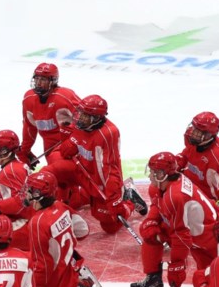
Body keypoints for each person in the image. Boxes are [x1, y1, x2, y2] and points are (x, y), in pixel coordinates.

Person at [26, 171, 143, 287]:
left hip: (57, 283)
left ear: (40, 195)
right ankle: (81, 280)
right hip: (69, 267)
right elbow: (83, 230)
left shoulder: (37, 223)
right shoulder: (60, 206)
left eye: (32, 191)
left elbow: (42, 266)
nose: (29, 194)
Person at [46, 94, 148, 233]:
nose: (80, 117)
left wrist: (114, 199)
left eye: (85, 115)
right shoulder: (82, 125)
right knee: (51, 167)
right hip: (80, 169)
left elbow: (110, 169)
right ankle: (62, 202)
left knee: (110, 227)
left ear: (96, 118)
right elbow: (67, 150)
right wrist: (66, 135)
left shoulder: (107, 134)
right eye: (80, 113)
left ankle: (129, 198)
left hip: (97, 179)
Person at [130, 151, 219, 287]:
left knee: (212, 285)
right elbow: (157, 203)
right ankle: (153, 278)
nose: (150, 175)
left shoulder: (175, 196)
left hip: (207, 238)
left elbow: (181, 235)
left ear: (162, 174)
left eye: (153, 172)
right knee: (150, 232)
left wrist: (177, 266)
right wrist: (151, 220)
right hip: (193, 230)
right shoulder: (162, 186)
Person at [19, 63, 79, 167]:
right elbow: (29, 126)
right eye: (36, 79)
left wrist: (73, 142)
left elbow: (85, 119)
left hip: (70, 143)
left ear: (53, 81)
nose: (38, 83)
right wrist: (25, 150)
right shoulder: (28, 99)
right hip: (49, 146)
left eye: (43, 80)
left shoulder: (65, 96)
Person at [179, 111, 219, 211]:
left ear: (209, 135)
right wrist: (174, 164)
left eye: (199, 131)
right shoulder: (192, 138)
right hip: (187, 187)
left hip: (205, 199)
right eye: (194, 128)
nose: (193, 133)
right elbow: (187, 153)